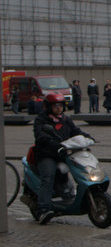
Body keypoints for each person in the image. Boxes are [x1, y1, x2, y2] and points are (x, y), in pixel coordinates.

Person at [33, 92, 86, 224]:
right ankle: (42, 209)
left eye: (61, 105)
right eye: (55, 106)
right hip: (46, 154)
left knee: (78, 168)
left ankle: (69, 194)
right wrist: (55, 145)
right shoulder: (41, 120)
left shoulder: (66, 120)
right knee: (48, 176)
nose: (58, 108)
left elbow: (75, 131)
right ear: (49, 107)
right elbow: (41, 136)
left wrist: (87, 138)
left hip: (62, 153)